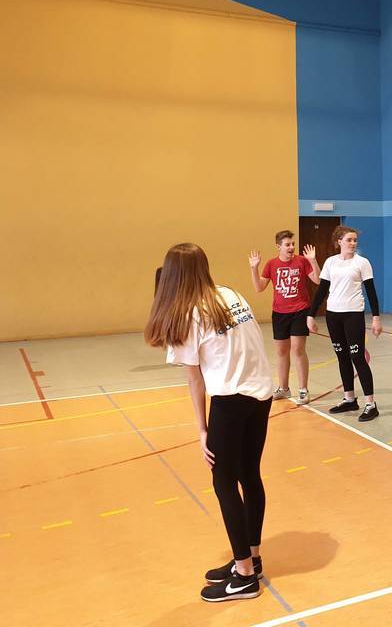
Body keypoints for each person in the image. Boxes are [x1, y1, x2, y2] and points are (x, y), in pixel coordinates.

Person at [144, 243, 273, 602]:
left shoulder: (188, 314)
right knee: (249, 475)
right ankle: (251, 559)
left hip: (230, 401)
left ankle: (244, 576)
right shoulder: (231, 294)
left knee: (224, 482)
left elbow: (195, 380)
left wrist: (202, 430)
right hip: (260, 394)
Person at [307, 226, 383, 421]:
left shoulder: (362, 263)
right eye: (349, 240)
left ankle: (370, 404)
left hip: (353, 315)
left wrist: (376, 317)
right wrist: (310, 315)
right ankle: (349, 399)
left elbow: (371, 292)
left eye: (355, 240)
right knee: (342, 357)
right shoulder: (330, 262)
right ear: (339, 241)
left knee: (357, 357)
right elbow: (322, 290)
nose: (353, 243)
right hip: (333, 315)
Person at [249, 231, 320, 405]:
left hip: (300, 311)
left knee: (298, 349)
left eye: (292, 244)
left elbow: (318, 280)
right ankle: (284, 388)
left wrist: (313, 260)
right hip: (279, 313)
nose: (291, 247)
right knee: (281, 352)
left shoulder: (302, 261)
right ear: (278, 246)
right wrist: (254, 268)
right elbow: (259, 288)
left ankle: (303, 389)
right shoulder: (271, 264)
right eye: (287, 244)